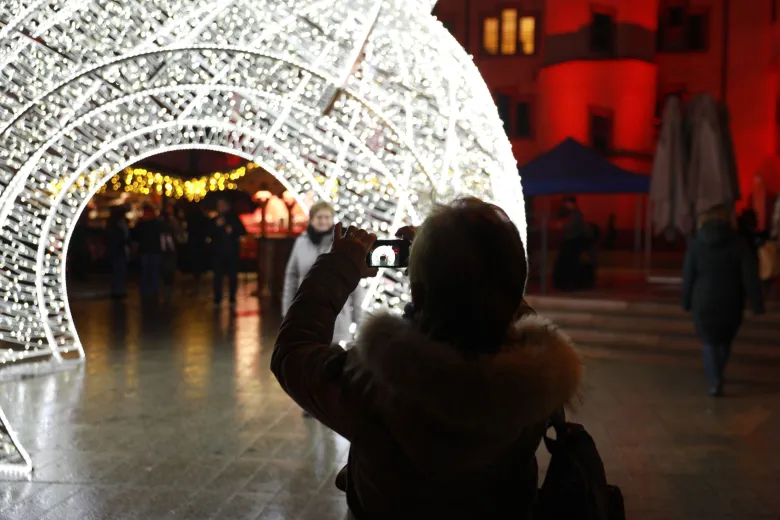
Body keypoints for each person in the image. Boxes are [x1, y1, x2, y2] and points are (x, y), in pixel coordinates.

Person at [272, 198, 582, 519]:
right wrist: (456, 261)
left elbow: (292, 351)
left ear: (417, 294)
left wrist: (339, 265)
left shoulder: (376, 383)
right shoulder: (537, 380)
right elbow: (500, 295)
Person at [682, 204, 765, 397]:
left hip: (703, 299)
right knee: (725, 340)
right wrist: (757, 304)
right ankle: (718, 374)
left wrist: (686, 301)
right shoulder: (739, 244)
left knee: (709, 341)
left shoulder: (696, 245)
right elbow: (750, 277)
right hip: (731, 299)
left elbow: (688, 277)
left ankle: (714, 380)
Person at [282, 201, 365, 346]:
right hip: (305, 314)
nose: (323, 221)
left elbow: (354, 282)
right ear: (312, 219)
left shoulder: (342, 244)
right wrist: (287, 312)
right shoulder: (301, 243)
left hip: (337, 316)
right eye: (319, 217)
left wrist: (359, 319)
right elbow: (291, 277)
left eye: (327, 217)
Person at [209, 198, 246, 306]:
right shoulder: (214, 220)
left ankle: (232, 297)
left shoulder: (234, 219)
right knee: (217, 276)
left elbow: (242, 231)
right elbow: (209, 233)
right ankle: (217, 297)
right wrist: (217, 227)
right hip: (218, 252)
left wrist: (232, 230)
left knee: (232, 275)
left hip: (231, 252)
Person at [132, 204, 164, 298]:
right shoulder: (155, 223)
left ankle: (149, 290)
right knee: (149, 271)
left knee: (149, 271)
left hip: (150, 251)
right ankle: (150, 289)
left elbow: (135, 236)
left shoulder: (144, 224)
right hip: (150, 251)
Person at [106, 207, 130, 299]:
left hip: (116, 251)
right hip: (118, 251)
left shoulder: (113, 224)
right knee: (119, 271)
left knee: (118, 272)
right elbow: (119, 238)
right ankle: (118, 291)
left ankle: (117, 291)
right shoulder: (117, 225)